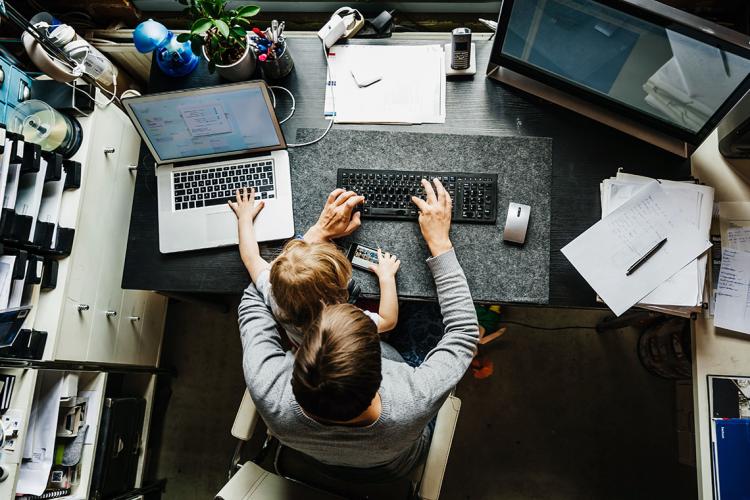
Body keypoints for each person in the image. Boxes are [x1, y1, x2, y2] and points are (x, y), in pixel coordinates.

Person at [238, 179, 479, 476]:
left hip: (317, 458)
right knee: (425, 317)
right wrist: (440, 243)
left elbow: (255, 296)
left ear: (297, 359)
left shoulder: (266, 387)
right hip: (395, 465)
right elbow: (464, 333)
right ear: (380, 371)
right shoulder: (413, 399)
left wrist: (314, 237)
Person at [229, 187, 401, 345]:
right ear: (340, 293)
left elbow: (250, 257)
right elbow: (388, 320)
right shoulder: (344, 321)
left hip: (302, 343)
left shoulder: (273, 293)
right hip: (338, 343)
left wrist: (244, 219)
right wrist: (387, 278)